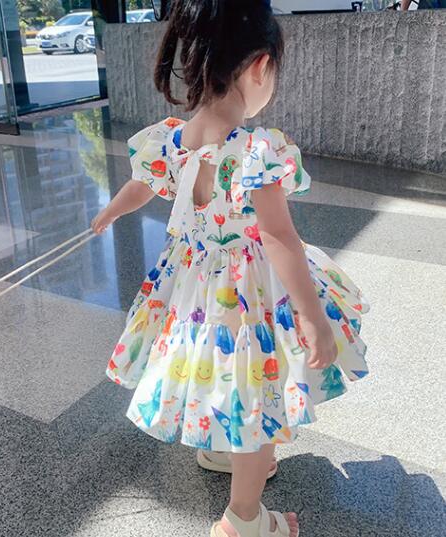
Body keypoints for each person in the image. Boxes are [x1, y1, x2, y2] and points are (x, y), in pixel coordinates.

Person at [92, 1, 370, 535]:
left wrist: (111, 211)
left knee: (220, 372)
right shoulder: (255, 149)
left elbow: (141, 186)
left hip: (194, 286)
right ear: (260, 66)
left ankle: (222, 452)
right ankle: (244, 518)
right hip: (249, 292)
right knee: (257, 394)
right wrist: (311, 315)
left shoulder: (174, 138)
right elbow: (278, 235)